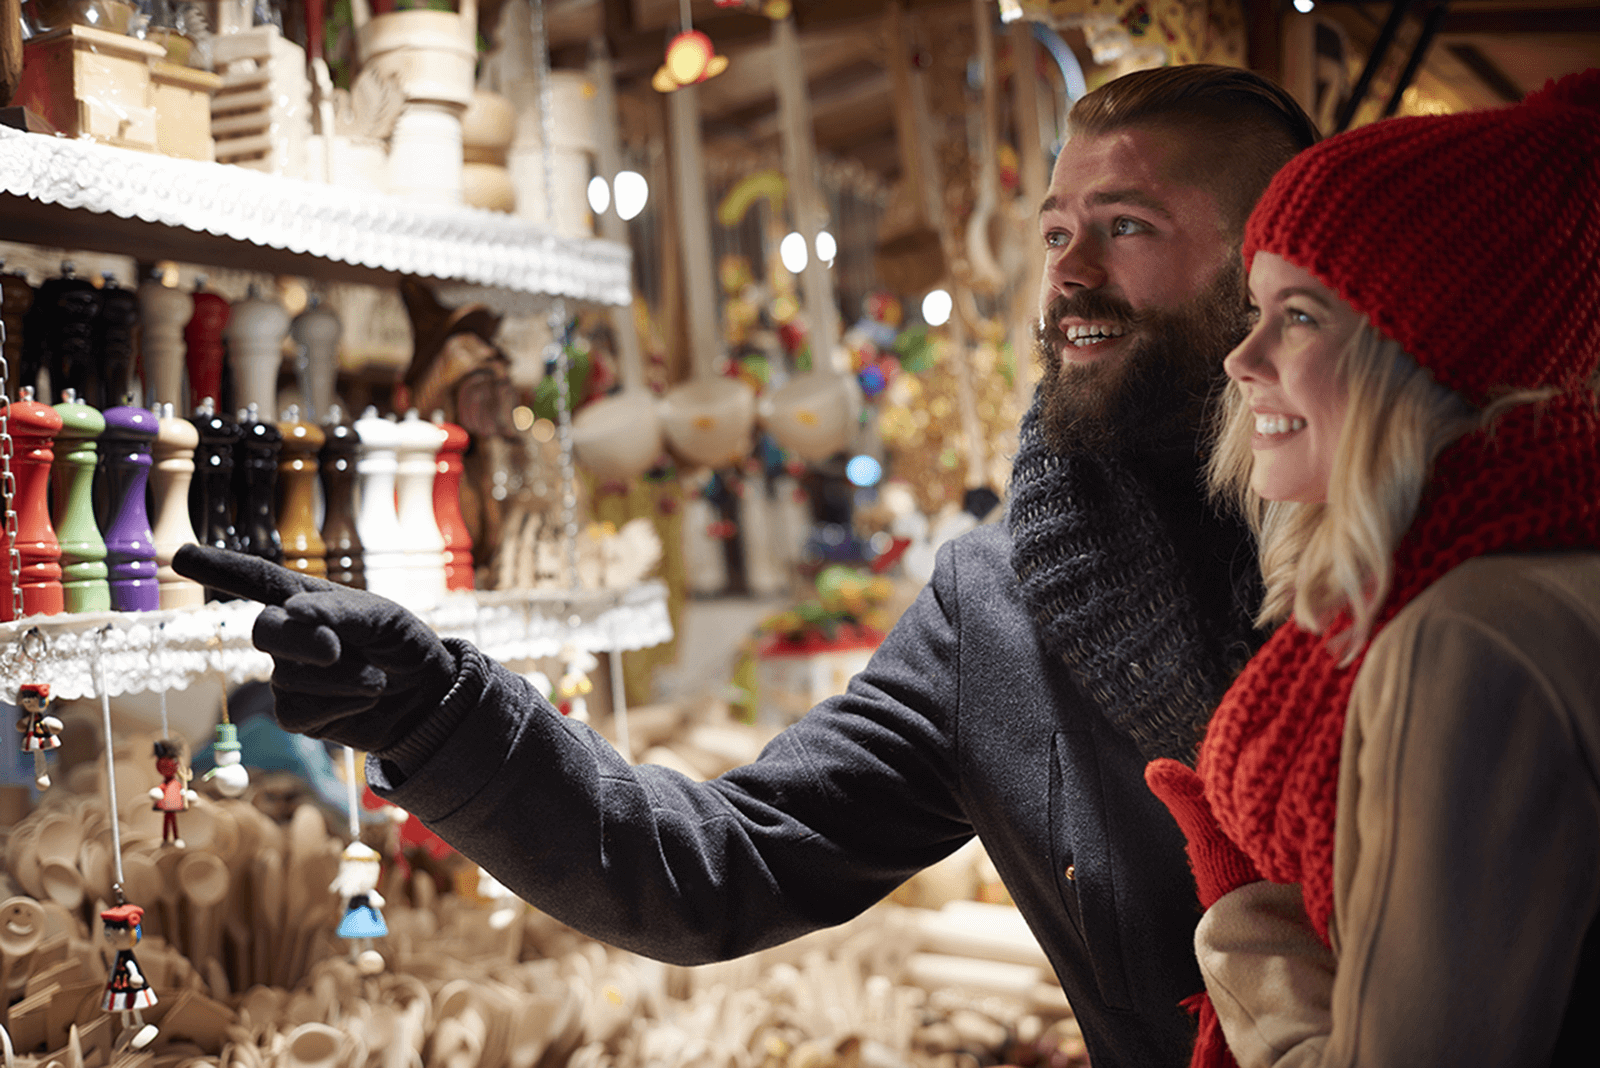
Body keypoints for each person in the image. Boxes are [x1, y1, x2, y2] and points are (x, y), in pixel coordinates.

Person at [174, 64, 1318, 1068]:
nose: (1069, 274)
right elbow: (720, 865)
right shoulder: (1000, 609)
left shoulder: (1402, 558)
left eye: (1125, 225)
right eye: (1057, 232)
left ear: (1270, 265)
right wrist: (439, 712)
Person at [1145, 69, 1600, 1067]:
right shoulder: (1535, 566)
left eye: (1301, 315)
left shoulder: (1466, 636)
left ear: (1436, 354)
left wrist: (1243, 924)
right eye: (1255, 307)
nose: (1242, 357)